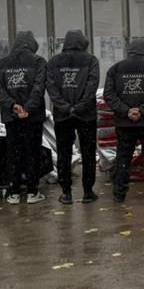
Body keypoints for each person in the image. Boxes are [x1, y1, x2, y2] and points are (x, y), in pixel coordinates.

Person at [103, 39, 144, 203]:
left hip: (125, 124)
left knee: (123, 158)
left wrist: (126, 111)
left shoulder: (115, 69)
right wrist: (143, 110)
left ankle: (119, 194)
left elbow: (109, 95)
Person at [0, 30, 48, 205]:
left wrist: (12, 105)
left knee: (13, 153)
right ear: (31, 44)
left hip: (11, 117)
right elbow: (39, 87)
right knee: (33, 152)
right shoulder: (38, 61)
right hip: (33, 117)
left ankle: (14, 191)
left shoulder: (1, 64)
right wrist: (28, 108)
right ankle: (32, 191)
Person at [46, 29, 100, 205]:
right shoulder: (91, 60)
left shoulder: (54, 62)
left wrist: (65, 107)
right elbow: (92, 86)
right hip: (86, 115)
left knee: (64, 153)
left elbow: (51, 88)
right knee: (88, 153)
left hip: (63, 116)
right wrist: (80, 106)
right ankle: (88, 192)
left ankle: (66, 192)